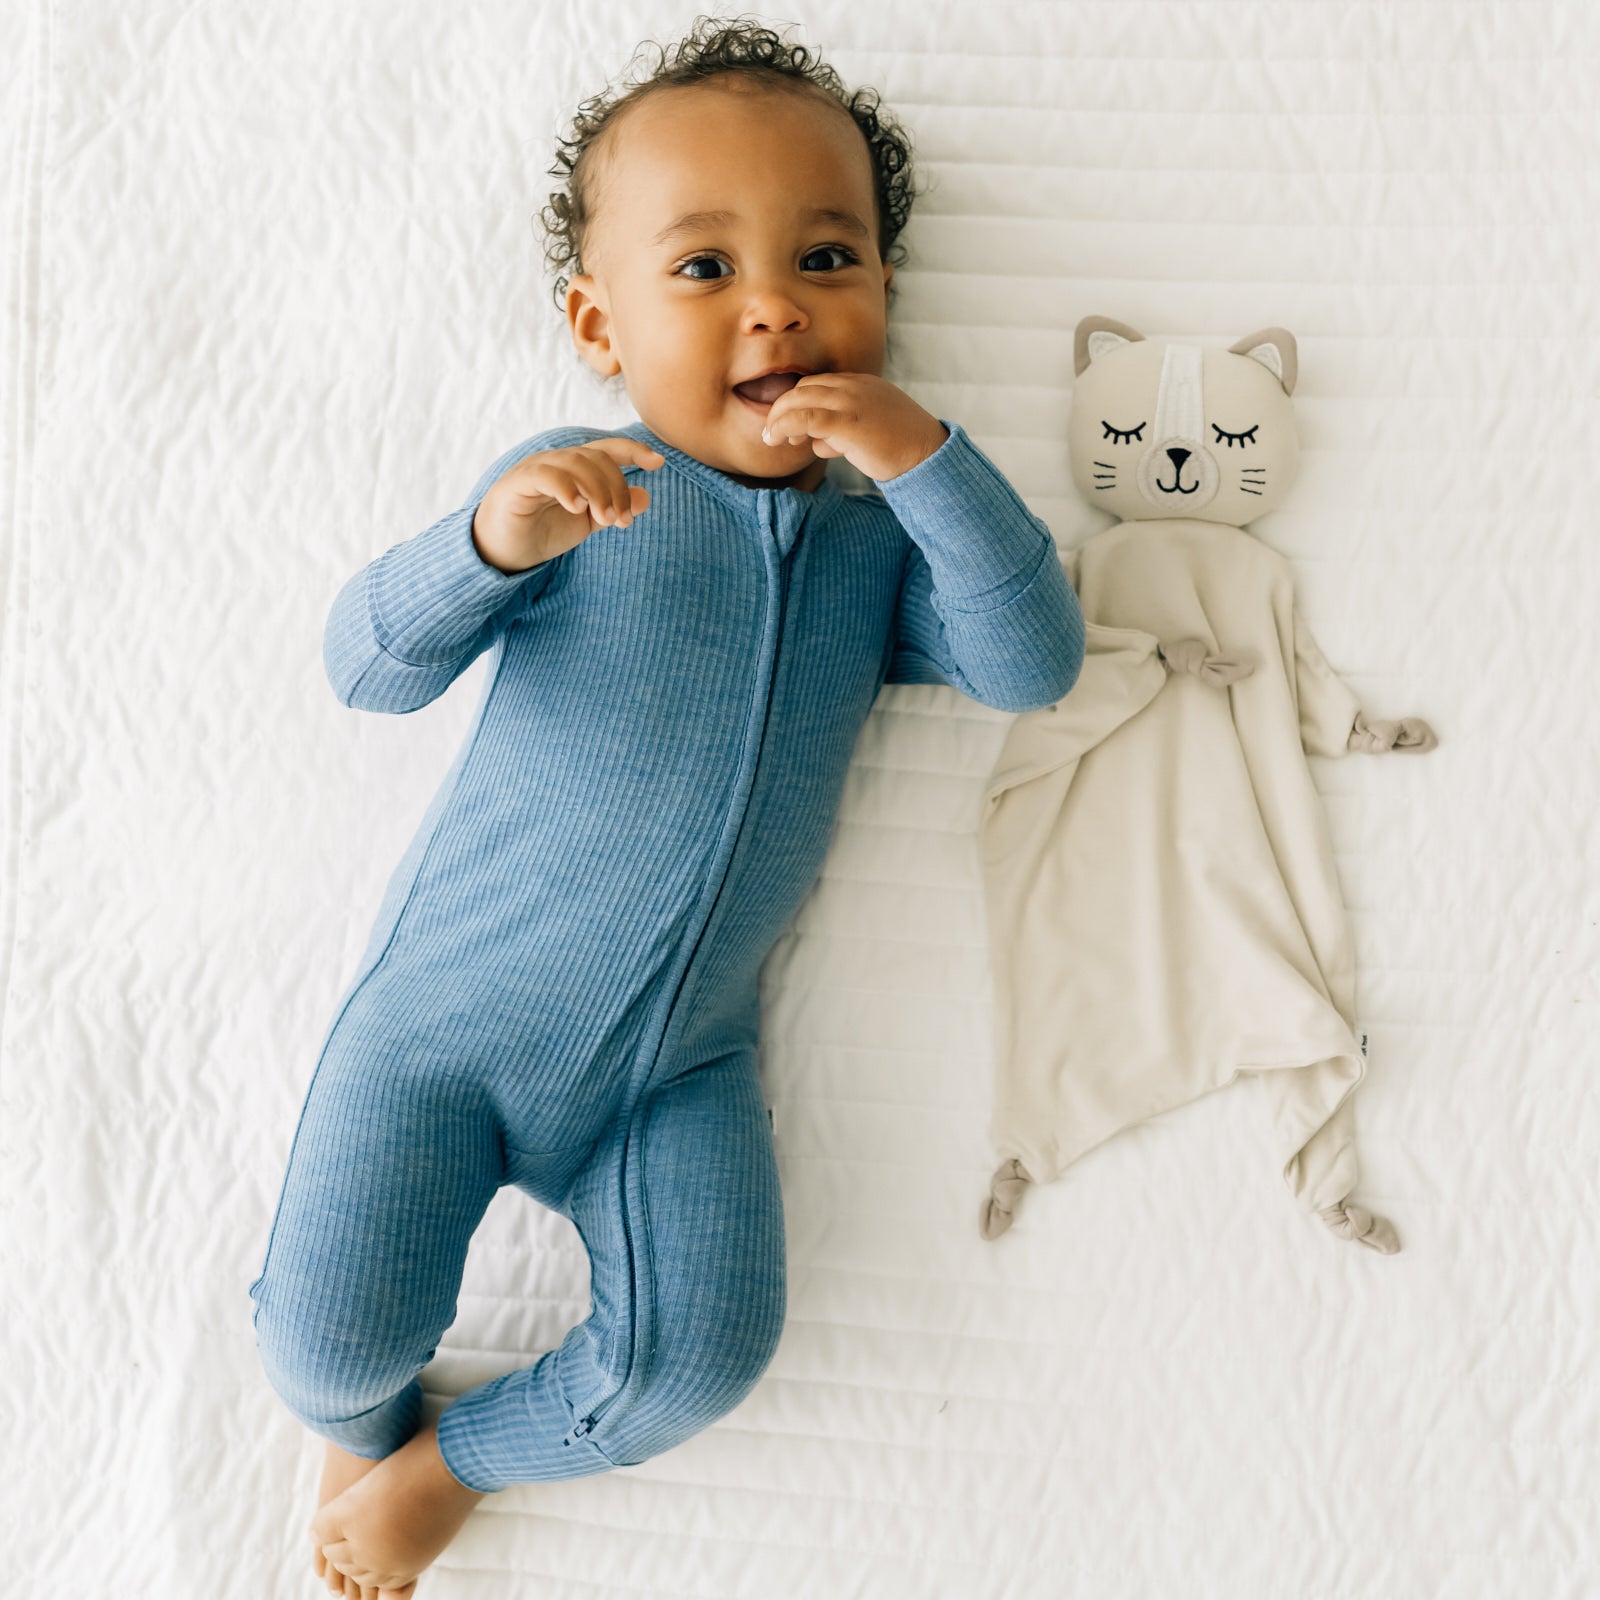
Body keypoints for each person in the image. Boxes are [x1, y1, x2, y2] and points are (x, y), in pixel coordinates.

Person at [247, 16, 1086, 1597]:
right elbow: (364, 670)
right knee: (324, 1335)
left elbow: (1031, 663)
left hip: (674, 1075)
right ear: (599, 323)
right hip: (439, 1028)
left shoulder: (879, 553)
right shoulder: (577, 490)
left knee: (697, 1353)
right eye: (703, 270)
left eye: (827, 256)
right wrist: (487, 543)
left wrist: (930, 466)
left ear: (885, 301)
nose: (776, 300)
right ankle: (359, 1427)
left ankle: (451, 1465)